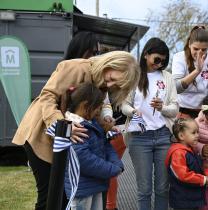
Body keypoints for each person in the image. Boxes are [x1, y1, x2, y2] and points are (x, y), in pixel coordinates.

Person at [12, 50, 140, 210]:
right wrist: (64, 127)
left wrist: (103, 122)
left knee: (64, 197)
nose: (110, 86)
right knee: (49, 198)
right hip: (41, 136)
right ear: (109, 64)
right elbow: (47, 96)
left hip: (63, 140)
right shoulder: (77, 68)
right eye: (112, 79)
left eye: (117, 85)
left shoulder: (101, 83)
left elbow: (86, 110)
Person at [121, 37, 178, 210]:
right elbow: (123, 104)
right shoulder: (134, 75)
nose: (160, 64)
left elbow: (175, 108)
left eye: (164, 60)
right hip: (139, 137)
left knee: (162, 188)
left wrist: (163, 108)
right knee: (144, 189)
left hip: (163, 135)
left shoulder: (167, 77)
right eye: (157, 59)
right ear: (146, 54)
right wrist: (132, 112)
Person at [57, 83, 123, 210]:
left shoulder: (91, 122)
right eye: (98, 108)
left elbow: (105, 144)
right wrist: (113, 169)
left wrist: (117, 164)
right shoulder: (76, 127)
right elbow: (84, 160)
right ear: (86, 106)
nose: (99, 111)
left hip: (95, 185)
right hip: (82, 190)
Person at [172, 25, 208, 119]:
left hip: (206, 112)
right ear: (189, 44)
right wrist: (197, 71)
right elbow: (175, 88)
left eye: (203, 49)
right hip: (183, 110)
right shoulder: (179, 57)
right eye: (195, 49)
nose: (199, 53)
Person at [165, 118, 208, 210]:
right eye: (193, 133)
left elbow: (198, 166)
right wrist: (203, 179)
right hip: (182, 199)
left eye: (197, 132)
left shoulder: (190, 149)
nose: (197, 135)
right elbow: (182, 175)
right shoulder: (178, 153)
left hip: (191, 197)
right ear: (181, 136)